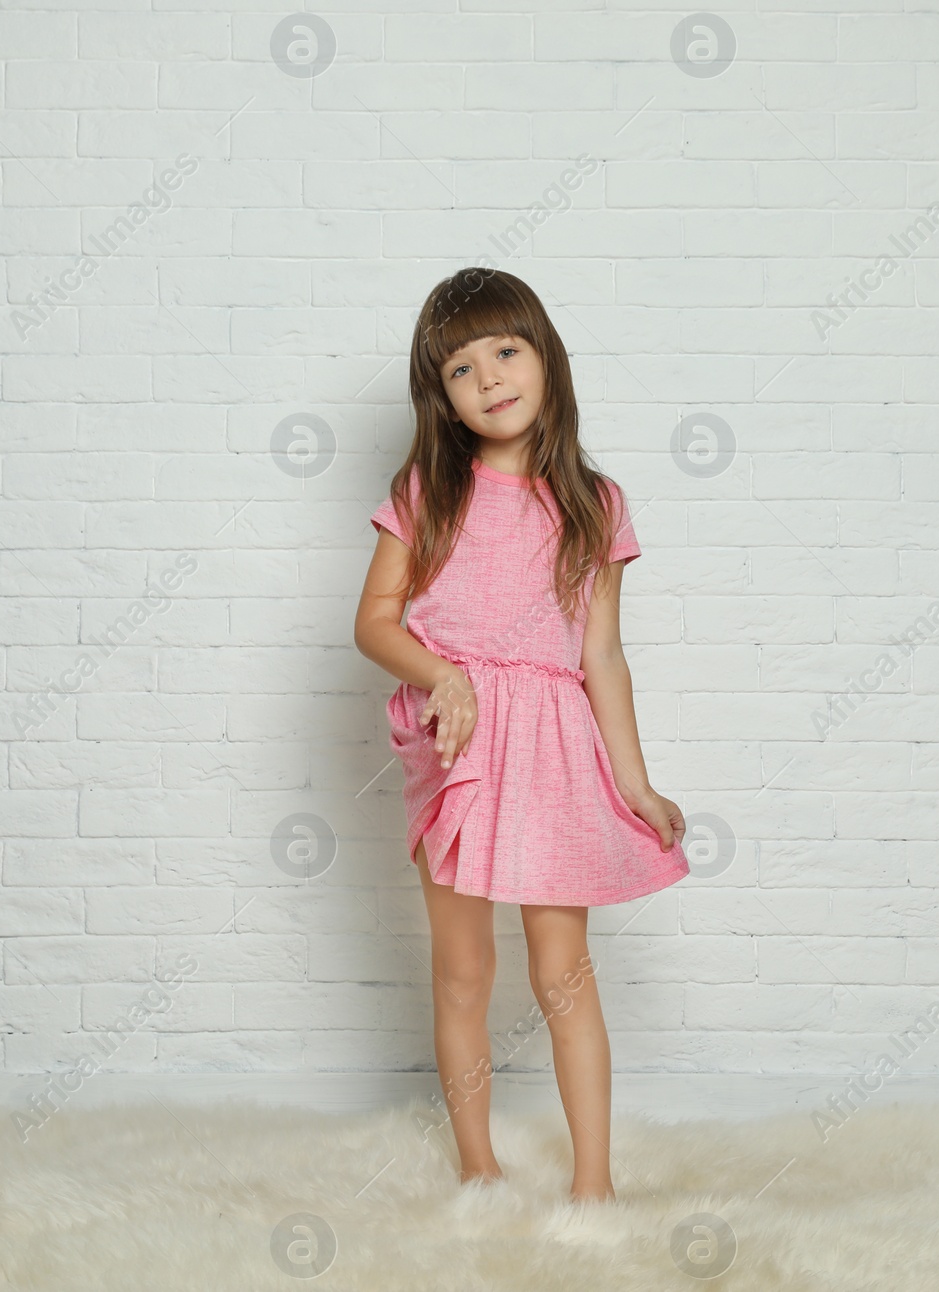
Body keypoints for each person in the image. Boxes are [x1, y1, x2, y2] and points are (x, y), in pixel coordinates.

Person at [352, 267, 689, 1203]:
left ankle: (594, 1186)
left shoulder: (595, 501)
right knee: (464, 971)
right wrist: (442, 675)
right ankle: (478, 1168)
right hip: (458, 747)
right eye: (461, 369)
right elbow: (375, 621)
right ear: (444, 399)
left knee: (564, 972)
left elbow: (604, 658)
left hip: (553, 750)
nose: (490, 378)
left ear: (545, 357)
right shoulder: (430, 492)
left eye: (506, 351)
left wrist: (635, 782)